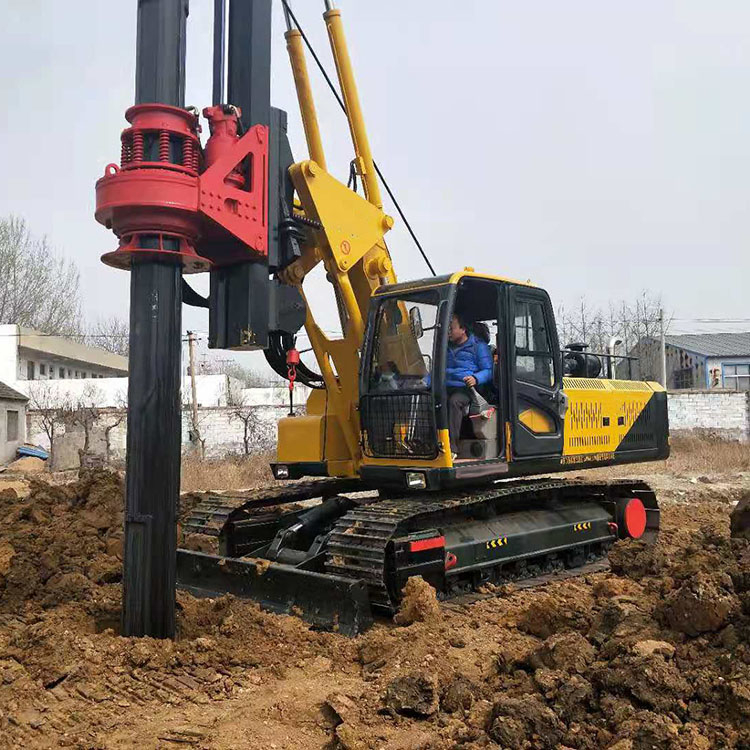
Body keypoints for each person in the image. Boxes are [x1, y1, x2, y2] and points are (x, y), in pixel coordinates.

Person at [446, 313, 493, 457]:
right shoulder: (445, 347)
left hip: (466, 389)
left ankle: (452, 448)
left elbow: (488, 370)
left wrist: (475, 378)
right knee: (425, 398)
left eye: (451, 328)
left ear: (463, 329)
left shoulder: (478, 347)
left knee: (454, 402)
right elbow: (437, 369)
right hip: (446, 385)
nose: (448, 331)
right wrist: (425, 382)